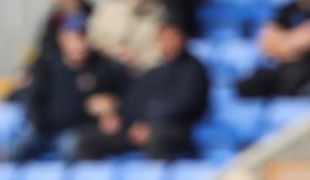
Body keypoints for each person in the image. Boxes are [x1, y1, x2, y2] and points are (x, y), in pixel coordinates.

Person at [75, 18, 209, 161]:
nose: (167, 43)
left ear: (182, 38)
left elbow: (185, 105)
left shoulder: (194, 70)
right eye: (163, 38)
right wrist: (119, 117)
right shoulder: (154, 72)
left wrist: (149, 124)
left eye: (172, 37)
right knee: (87, 139)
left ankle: (158, 173)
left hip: (174, 128)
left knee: (157, 139)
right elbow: (133, 100)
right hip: (138, 128)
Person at [12, 14, 130, 162]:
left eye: (84, 36)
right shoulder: (48, 66)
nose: (81, 43)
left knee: (70, 147)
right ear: (63, 39)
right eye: (75, 37)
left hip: (79, 131)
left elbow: (126, 95)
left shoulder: (103, 68)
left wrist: (113, 104)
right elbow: (31, 98)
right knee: (15, 149)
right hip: (44, 130)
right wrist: (38, 121)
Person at [237, 0, 310, 98]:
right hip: (284, 66)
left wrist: (283, 40)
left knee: (292, 80)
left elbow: (306, 41)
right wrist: (294, 43)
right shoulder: (286, 10)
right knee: (248, 85)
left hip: (304, 68)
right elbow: (267, 44)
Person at [87, 0, 165, 74]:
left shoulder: (159, 16)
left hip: (136, 72)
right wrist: (116, 51)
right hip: (101, 65)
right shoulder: (110, 9)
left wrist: (137, 60)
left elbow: (158, 53)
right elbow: (93, 37)